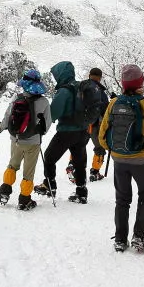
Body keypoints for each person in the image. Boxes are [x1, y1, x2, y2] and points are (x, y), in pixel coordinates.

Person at [98, 64, 144, 253]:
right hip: (141, 160)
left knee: (122, 200)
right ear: (140, 82)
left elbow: (103, 133)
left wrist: (113, 150)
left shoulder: (114, 103)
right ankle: (139, 236)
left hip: (119, 160)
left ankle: (120, 240)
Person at [34, 61, 92, 203]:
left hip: (66, 132)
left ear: (60, 75)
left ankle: (49, 185)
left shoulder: (64, 91)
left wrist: (40, 126)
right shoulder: (81, 87)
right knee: (79, 162)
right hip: (83, 131)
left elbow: (53, 113)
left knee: (49, 157)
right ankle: (81, 191)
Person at [0, 69, 52, 211]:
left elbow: (7, 118)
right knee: (28, 172)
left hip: (16, 139)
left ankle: (4, 192)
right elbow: (47, 124)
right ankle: (24, 200)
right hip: (33, 142)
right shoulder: (44, 102)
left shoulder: (17, 98)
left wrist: (0, 127)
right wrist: (40, 133)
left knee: (12, 166)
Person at [66, 67, 112, 183]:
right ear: (100, 78)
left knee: (79, 146)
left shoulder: (81, 87)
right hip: (95, 125)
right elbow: (105, 110)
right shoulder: (100, 91)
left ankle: (72, 165)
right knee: (99, 147)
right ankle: (95, 172)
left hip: (81, 124)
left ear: (89, 75)